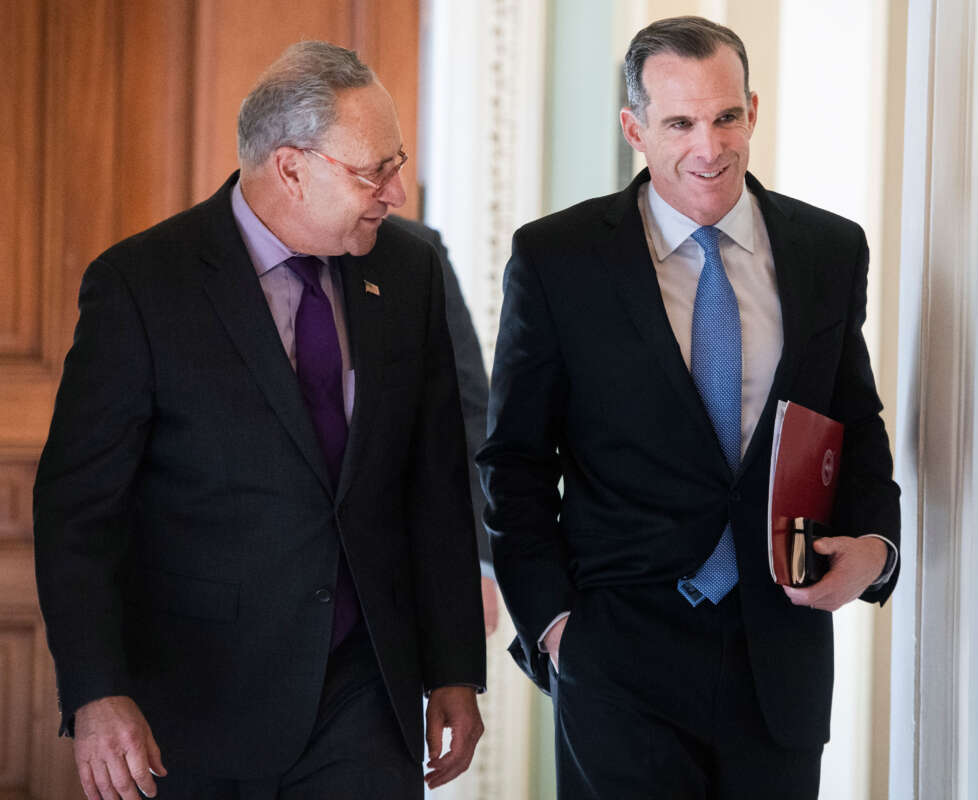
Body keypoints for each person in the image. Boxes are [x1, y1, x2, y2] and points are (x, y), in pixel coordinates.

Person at [33, 41, 485, 800]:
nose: (398, 191)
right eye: (375, 169)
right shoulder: (143, 285)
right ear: (291, 167)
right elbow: (78, 510)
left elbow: (434, 483)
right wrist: (95, 690)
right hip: (193, 703)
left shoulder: (409, 272)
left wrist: (453, 669)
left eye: (397, 161)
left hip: (365, 693)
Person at [478, 16, 900, 798]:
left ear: (754, 110)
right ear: (634, 128)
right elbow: (515, 461)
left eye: (726, 116)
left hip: (780, 657)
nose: (709, 147)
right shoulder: (558, 258)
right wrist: (555, 627)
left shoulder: (828, 250)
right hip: (617, 659)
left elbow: (855, 421)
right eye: (679, 122)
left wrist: (878, 547)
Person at [391, 219, 501, 637]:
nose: (394, 193)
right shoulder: (206, 255)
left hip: (406, 570)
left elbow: (468, 408)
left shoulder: (418, 250)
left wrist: (477, 559)